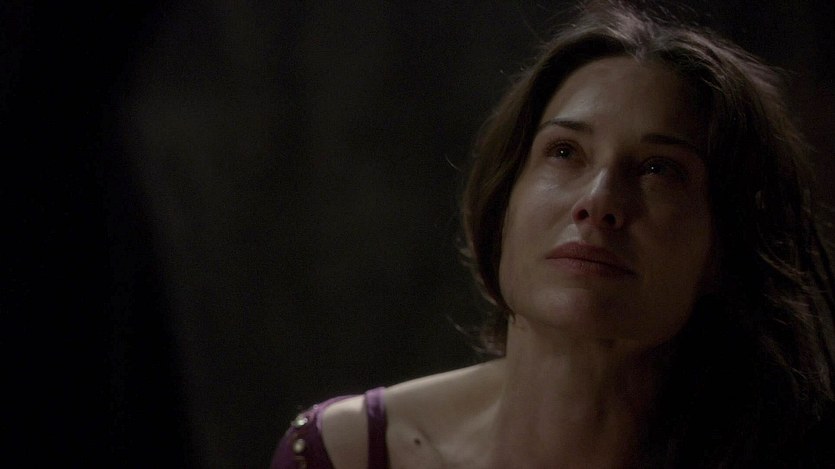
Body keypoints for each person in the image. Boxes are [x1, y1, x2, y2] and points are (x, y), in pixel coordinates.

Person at [271, 2, 835, 467]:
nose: (600, 201)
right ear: (505, 201)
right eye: (565, 152)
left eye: (659, 169)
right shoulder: (347, 453)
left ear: (724, 247)